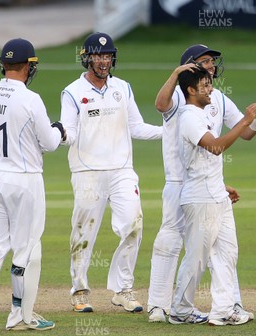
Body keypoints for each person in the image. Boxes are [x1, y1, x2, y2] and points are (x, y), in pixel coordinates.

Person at [147, 44, 256, 323]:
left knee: (224, 250)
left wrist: (255, 121)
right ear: (190, 72)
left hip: (208, 185)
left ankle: (227, 307)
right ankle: (160, 306)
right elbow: (160, 105)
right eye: (205, 62)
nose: (211, 66)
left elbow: (245, 133)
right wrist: (176, 74)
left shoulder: (215, 98)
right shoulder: (180, 98)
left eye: (212, 62)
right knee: (174, 243)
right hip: (180, 183)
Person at [0, 38, 64, 332]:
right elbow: (49, 143)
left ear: (2, 65)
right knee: (26, 249)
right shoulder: (30, 99)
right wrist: (60, 130)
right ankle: (21, 315)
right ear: (29, 67)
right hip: (23, 179)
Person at [59, 32, 162, 313]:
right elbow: (69, 132)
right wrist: (57, 134)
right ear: (87, 58)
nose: (104, 61)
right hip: (87, 172)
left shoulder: (123, 88)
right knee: (83, 233)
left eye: (107, 56)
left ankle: (123, 289)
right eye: (98, 56)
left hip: (122, 170)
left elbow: (136, 127)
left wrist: (170, 132)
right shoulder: (72, 92)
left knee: (134, 225)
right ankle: (79, 290)